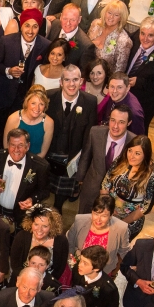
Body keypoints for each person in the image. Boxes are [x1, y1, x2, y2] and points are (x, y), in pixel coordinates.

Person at [0, 9, 51, 144]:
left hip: (24, 99)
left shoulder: (45, 45)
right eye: (27, 25)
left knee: (17, 134)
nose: (30, 30)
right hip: (2, 95)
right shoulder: (7, 41)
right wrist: (8, 71)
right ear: (21, 25)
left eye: (35, 26)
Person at [45, 64, 98, 213]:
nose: (71, 84)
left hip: (72, 156)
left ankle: (58, 207)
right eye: (67, 80)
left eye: (75, 79)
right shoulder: (49, 96)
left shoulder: (90, 102)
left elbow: (89, 134)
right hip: (49, 152)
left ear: (81, 81)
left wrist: (83, 161)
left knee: (61, 193)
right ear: (61, 82)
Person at [76, 105, 135, 214]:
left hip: (116, 196)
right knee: (83, 218)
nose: (115, 126)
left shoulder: (134, 142)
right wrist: (80, 180)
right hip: (91, 188)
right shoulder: (95, 132)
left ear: (129, 123)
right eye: (112, 120)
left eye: (121, 122)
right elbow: (86, 156)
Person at [101, 135, 154, 240]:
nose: (131, 156)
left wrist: (121, 223)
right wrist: (106, 208)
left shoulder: (153, 176)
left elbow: (145, 207)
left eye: (137, 153)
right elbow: (106, 182)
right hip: (108, 212)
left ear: (145, 155)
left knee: (117, 250)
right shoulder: (121, 160)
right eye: (130, 151)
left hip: (129, 222)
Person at [0, 129, 50, 228]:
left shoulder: (40, 166)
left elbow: (44, 191)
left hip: (20, 216)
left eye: (20, 145)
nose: (16, 149)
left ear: (27, 146)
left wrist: (31, 199)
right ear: (8, 145)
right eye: (12, 145)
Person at [66, 195, 131, 277]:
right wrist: (72, 263)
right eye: (96, 214)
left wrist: (131, 267)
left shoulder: (121, 228)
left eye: (104, 216)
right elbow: (69, 243)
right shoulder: (80, 221)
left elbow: (125, 252)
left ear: (111, 215)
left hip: (103, 272)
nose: (98, 219)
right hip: (78, 267)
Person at [10, 205, 69, 282]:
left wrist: (44, 282)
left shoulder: (61, 241)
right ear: (31, 223)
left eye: (44, 226)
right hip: (22, 279)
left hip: (46, 282)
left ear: (52, 226)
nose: (39, 230)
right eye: (36, 224)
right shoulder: (22, 237)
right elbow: (15, 264)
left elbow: (59, 269)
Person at [2, 87, 54, 157]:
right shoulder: (13, 118)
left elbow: (43, 152)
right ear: (27, 102)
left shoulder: (49, 122)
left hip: (35, 162)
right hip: (13, 159)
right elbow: (6, 146)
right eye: (33, 103)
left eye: (41, 104)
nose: (37, 108)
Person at [87, 0, 132, 74]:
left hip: (104, 79)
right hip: (85, 70)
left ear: (121, 18)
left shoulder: (123, 40)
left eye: (116, 15)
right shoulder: (96, 24)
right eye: (109, 13)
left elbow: (119, 72)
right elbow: (85, 46)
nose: (111, 17)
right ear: (105, 12)